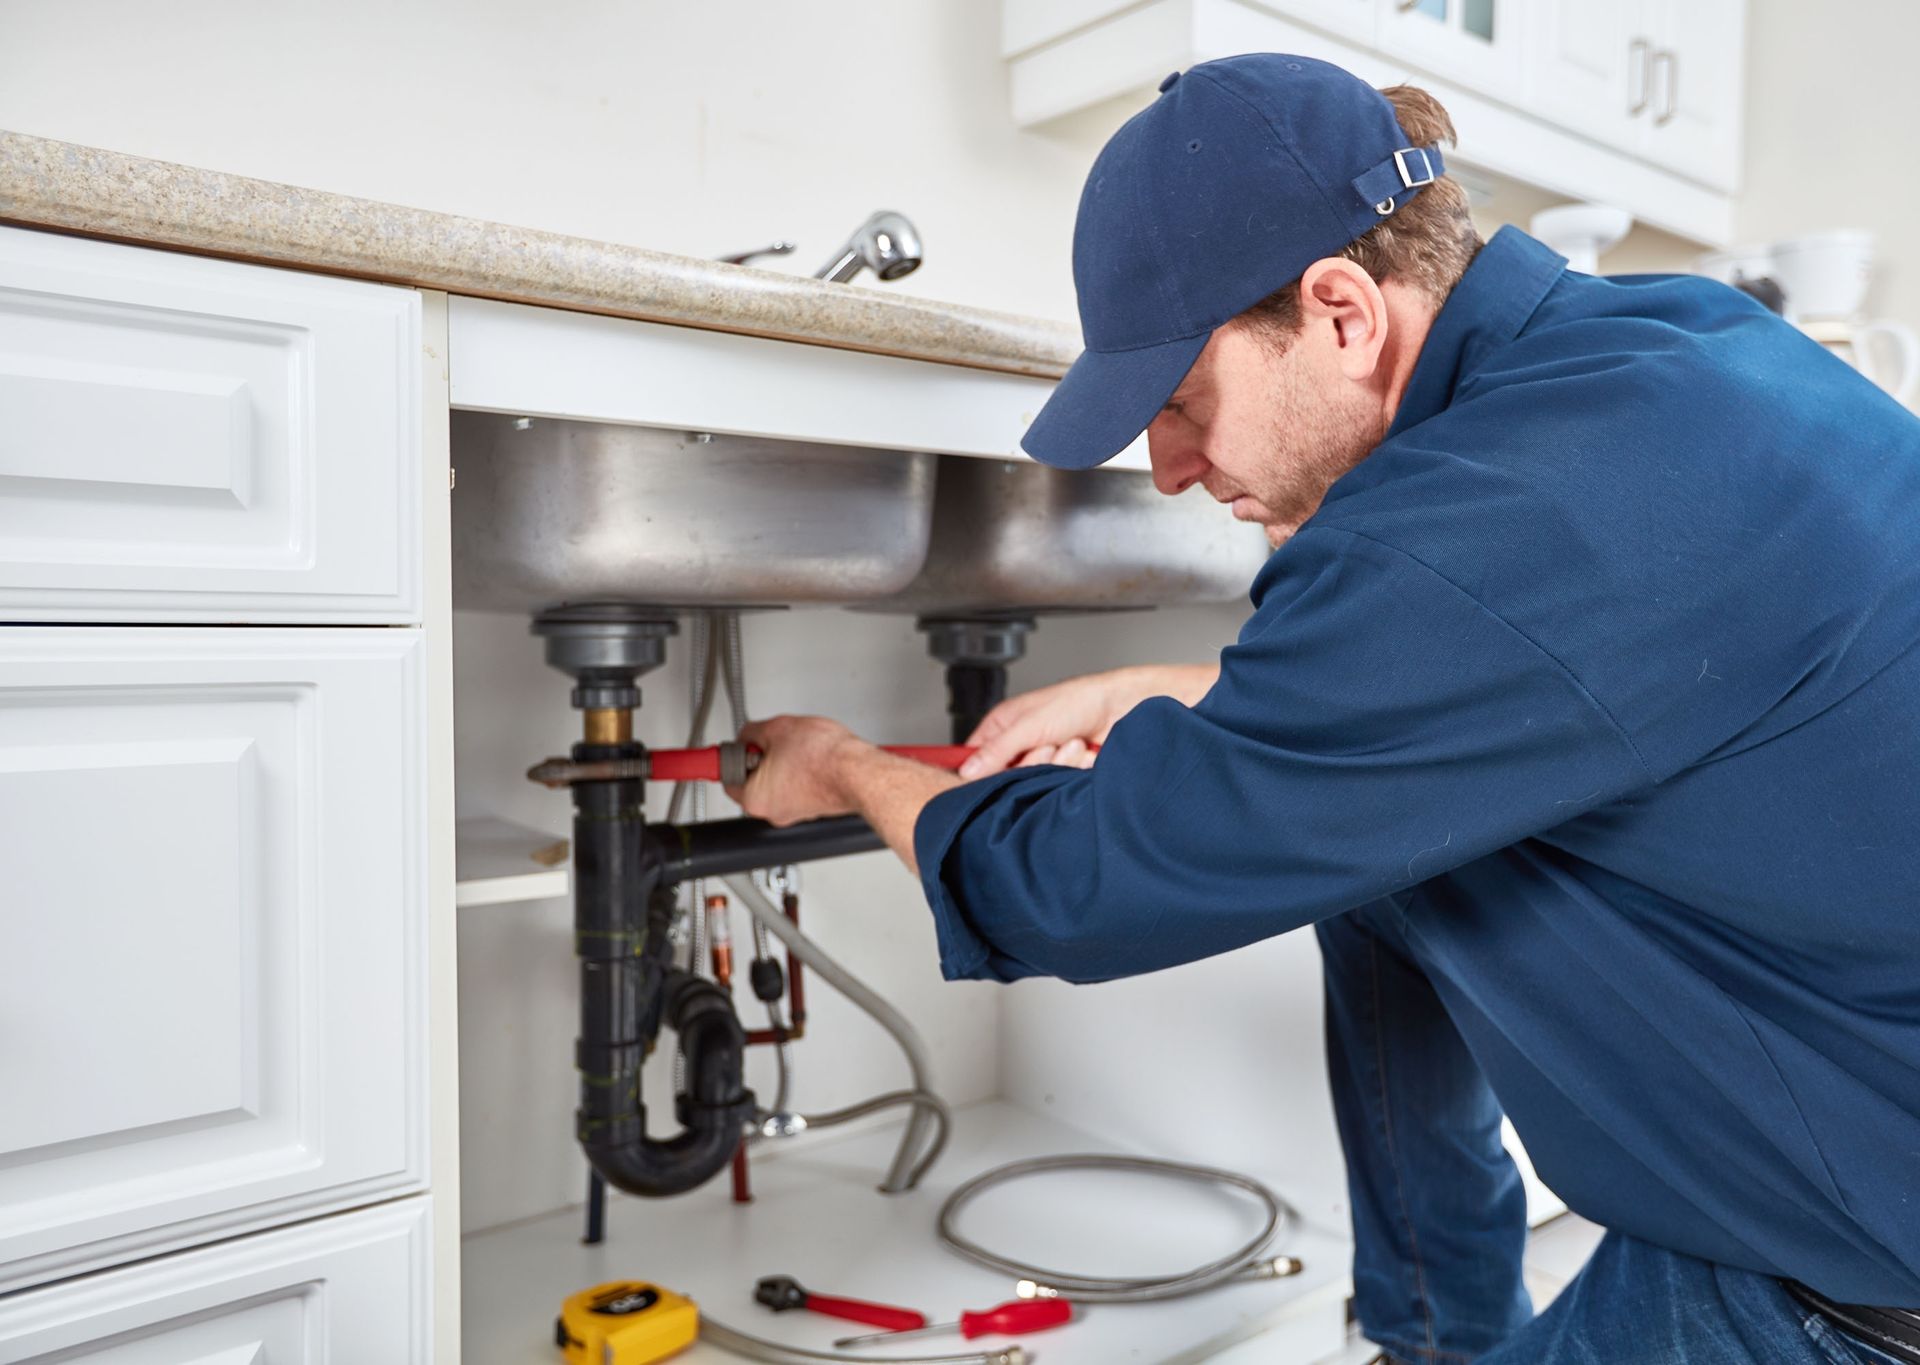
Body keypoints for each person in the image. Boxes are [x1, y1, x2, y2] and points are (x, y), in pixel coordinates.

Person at [726, 54, 1920, 1364]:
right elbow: (1552, 678)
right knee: (1383, 867)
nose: (1170, 470)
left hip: (1851, 1275)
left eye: (1183, 403)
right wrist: (1201, 698)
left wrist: (846, 764)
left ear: (1345, 314)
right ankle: (1436, 1335)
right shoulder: (1656, 351)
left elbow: (1072, 883)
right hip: (1849, 1116)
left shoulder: (1482, 525)